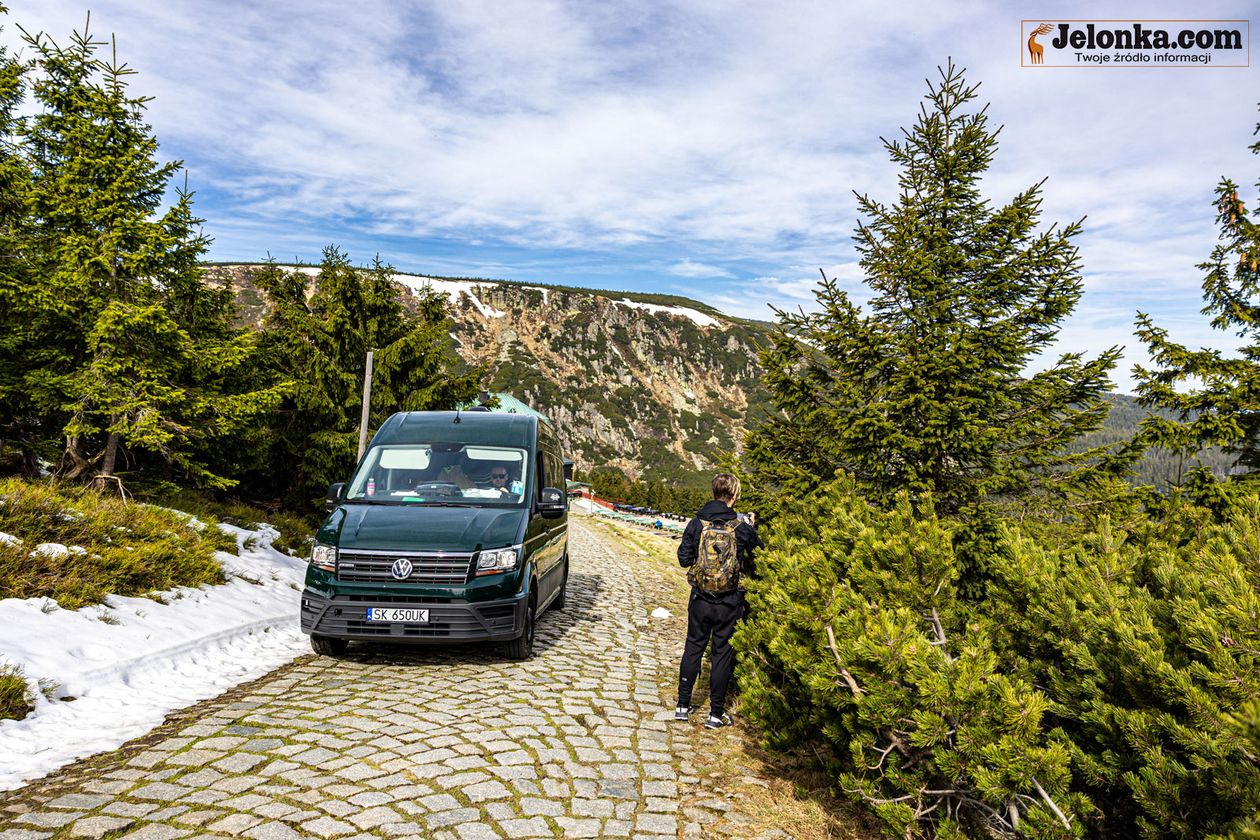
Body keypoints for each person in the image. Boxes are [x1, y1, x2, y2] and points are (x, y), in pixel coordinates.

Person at [675, 472, 761, 729]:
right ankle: (715, 714)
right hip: (729, 602)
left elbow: (683, 559)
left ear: (714, 492)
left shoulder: (697, 523)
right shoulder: (741, 527)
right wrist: (752, 529)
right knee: (722, 654)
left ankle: (682, 705)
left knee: (694, 647)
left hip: (700, 598)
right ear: (734, 495)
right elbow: (760, 559)